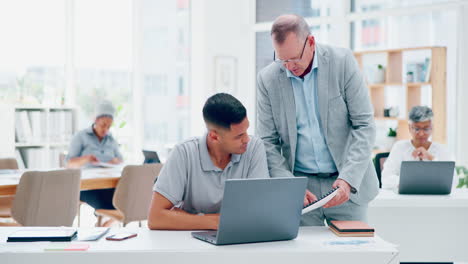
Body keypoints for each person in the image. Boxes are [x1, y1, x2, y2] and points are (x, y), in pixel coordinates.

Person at [256, 14, 379, 226]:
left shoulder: (342, 63)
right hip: (301, 188)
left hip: (346, 184)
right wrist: (289, 185)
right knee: (302, 256)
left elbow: (364, 125)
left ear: (311, 42)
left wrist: (348, 179)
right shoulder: (268, 79)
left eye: (294, 59)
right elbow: (267, 141)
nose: (289, 66)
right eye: (282, 59)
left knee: (352, 255)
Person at [148, 93, 269, 230]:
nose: (247, 139)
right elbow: (155, 218)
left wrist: (188, 218)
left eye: (246, 131)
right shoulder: (183, 153)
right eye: (239, 136)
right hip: (190, 241)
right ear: (214, 136)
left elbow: (258, 212)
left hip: (240, 237)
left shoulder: (254, 148)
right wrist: (217, 222)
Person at [66, 100, 123, 226]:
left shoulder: (111, 139)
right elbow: (69, 163)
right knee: (112, 202)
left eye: (109, 126)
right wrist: (85, 159)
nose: (105, 129)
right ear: (95, 120)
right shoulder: (81, 136)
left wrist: (115, 161)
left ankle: (104, 224)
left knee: (125, 199)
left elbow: (120, 160)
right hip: (88, 186)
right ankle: (103, 224)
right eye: (103, 125)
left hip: (108, 183)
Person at [381, 106, 455, 189]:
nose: (421, 134)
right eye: (417, 129)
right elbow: (386, 178)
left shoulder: (441, 149)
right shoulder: (399, 147)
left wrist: (431, 158)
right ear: (409, 128)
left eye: (426, 129)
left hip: (434, 199)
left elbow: (454, 181)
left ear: (432, 128)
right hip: (406, 198)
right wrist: (407, 183)